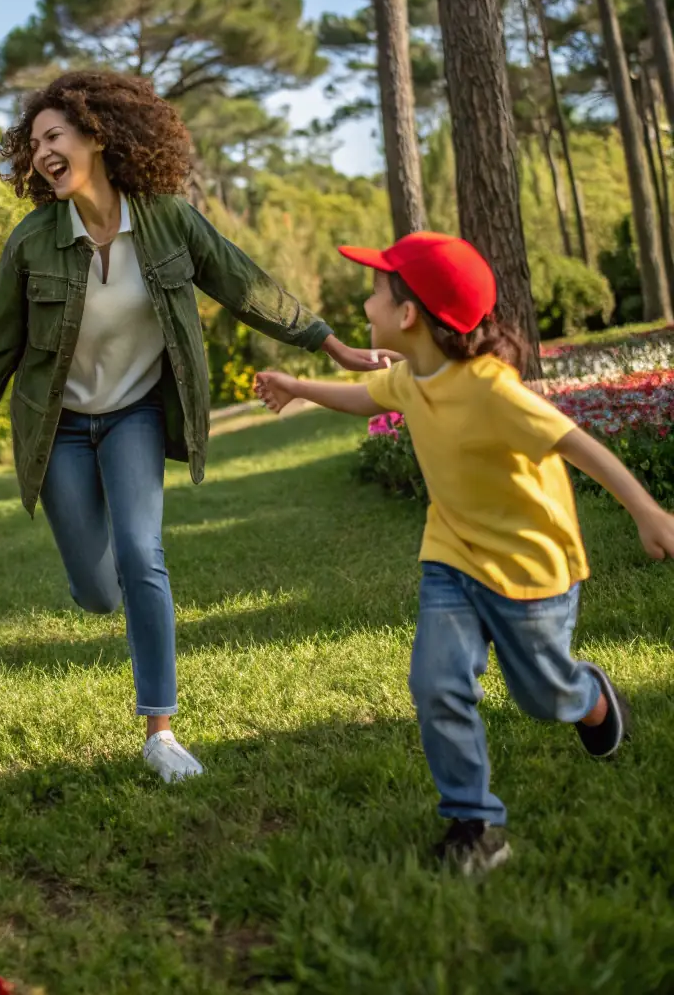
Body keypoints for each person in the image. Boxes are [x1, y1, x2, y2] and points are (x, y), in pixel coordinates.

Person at [0, 70, 388, 784]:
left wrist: (328, 343)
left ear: (96, 136)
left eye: (56, 135)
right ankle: (109, 591)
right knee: (99, 591)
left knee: (143, 555)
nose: (44, 152)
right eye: (34, 143)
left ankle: (160, 730)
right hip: (58, 425)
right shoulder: (32, 242)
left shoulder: (166, 219)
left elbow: (244, 283)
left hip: (136, 414)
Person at [255, 231, 674, 872]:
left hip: (529, 571)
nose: (365, 303)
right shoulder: (412, 377)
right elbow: (364, 397)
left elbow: (575, 443)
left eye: (376, 291)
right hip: (451, 558)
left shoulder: (491, 390)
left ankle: (588, 696)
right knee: (437, 682)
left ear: (408, 315)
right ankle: (474, 823)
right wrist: (299, 386)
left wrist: (647, 511)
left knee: (542, 697)